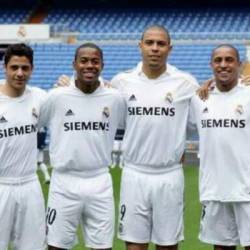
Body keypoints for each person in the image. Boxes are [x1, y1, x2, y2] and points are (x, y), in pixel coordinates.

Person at [111, 25, 199, 250]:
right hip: (134, 173)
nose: (155, 48)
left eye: (160, 44)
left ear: (170, 48)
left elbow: (206, 112)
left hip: (169, 175)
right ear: (140, 46)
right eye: (149, 43)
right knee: (134, 245)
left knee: (167, 245)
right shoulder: (122, 82)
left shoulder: (185, 83)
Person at [40, 43, 125, 250]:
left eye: (95, 61)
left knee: (103, 247)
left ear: (102, 65)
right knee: (56, 245)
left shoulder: (115, 98)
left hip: (99, 182)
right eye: (84, 61)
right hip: (64, 181)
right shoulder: (56, 96)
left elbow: (128, 126)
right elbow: (35, 124)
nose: (89, 65)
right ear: (74, 65)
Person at [189, 44, 250, 250]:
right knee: (221, 247)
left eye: (229, 60)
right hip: (215, 191)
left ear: (239, 65)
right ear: (211, 65)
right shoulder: (198, 99)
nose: (223, 65)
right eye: (218, 60)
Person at [0, 43, 46, 249]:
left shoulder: (40, 98)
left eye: (25, 68)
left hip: (30, 184)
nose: (20, 73)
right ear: (5, 67)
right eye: (14, 67)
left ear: (32, 69)